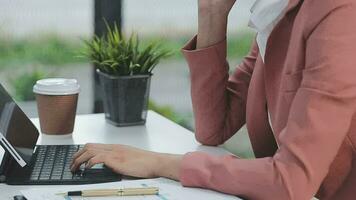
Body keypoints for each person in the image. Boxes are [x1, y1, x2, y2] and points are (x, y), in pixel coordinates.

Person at [71, 0, 356, 199]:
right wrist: (211, 11)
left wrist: (158, 163)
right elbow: (213, 128)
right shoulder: (280, 15)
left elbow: (290, 182)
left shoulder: (337, 11)